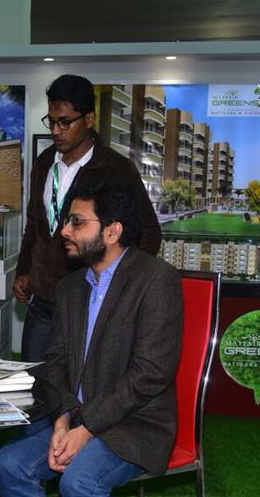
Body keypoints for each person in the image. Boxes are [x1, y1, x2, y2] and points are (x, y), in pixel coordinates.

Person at [0, 181, 183, 497]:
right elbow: (55, 364)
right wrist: (62, 420)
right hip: (77, 418)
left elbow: (150, 374)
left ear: (112, 231)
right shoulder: (71, 286)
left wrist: (86, 429)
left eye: (77, 222)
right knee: (9, 464)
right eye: (67, 220)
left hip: (136, 422)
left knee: (80, 482)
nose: (65, 230)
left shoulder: (156, 280)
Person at [14, 74, 163, 362]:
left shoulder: (116, 169)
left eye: (65, 122)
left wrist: (116, 287)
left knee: (83, 384)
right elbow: (35, 224)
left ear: (90, 119)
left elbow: (149, 234)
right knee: (33, 381)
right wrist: (24, 271)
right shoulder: (44, 163)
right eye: (51, 121)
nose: (56, 130)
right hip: (41, 301)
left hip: (89, 303)